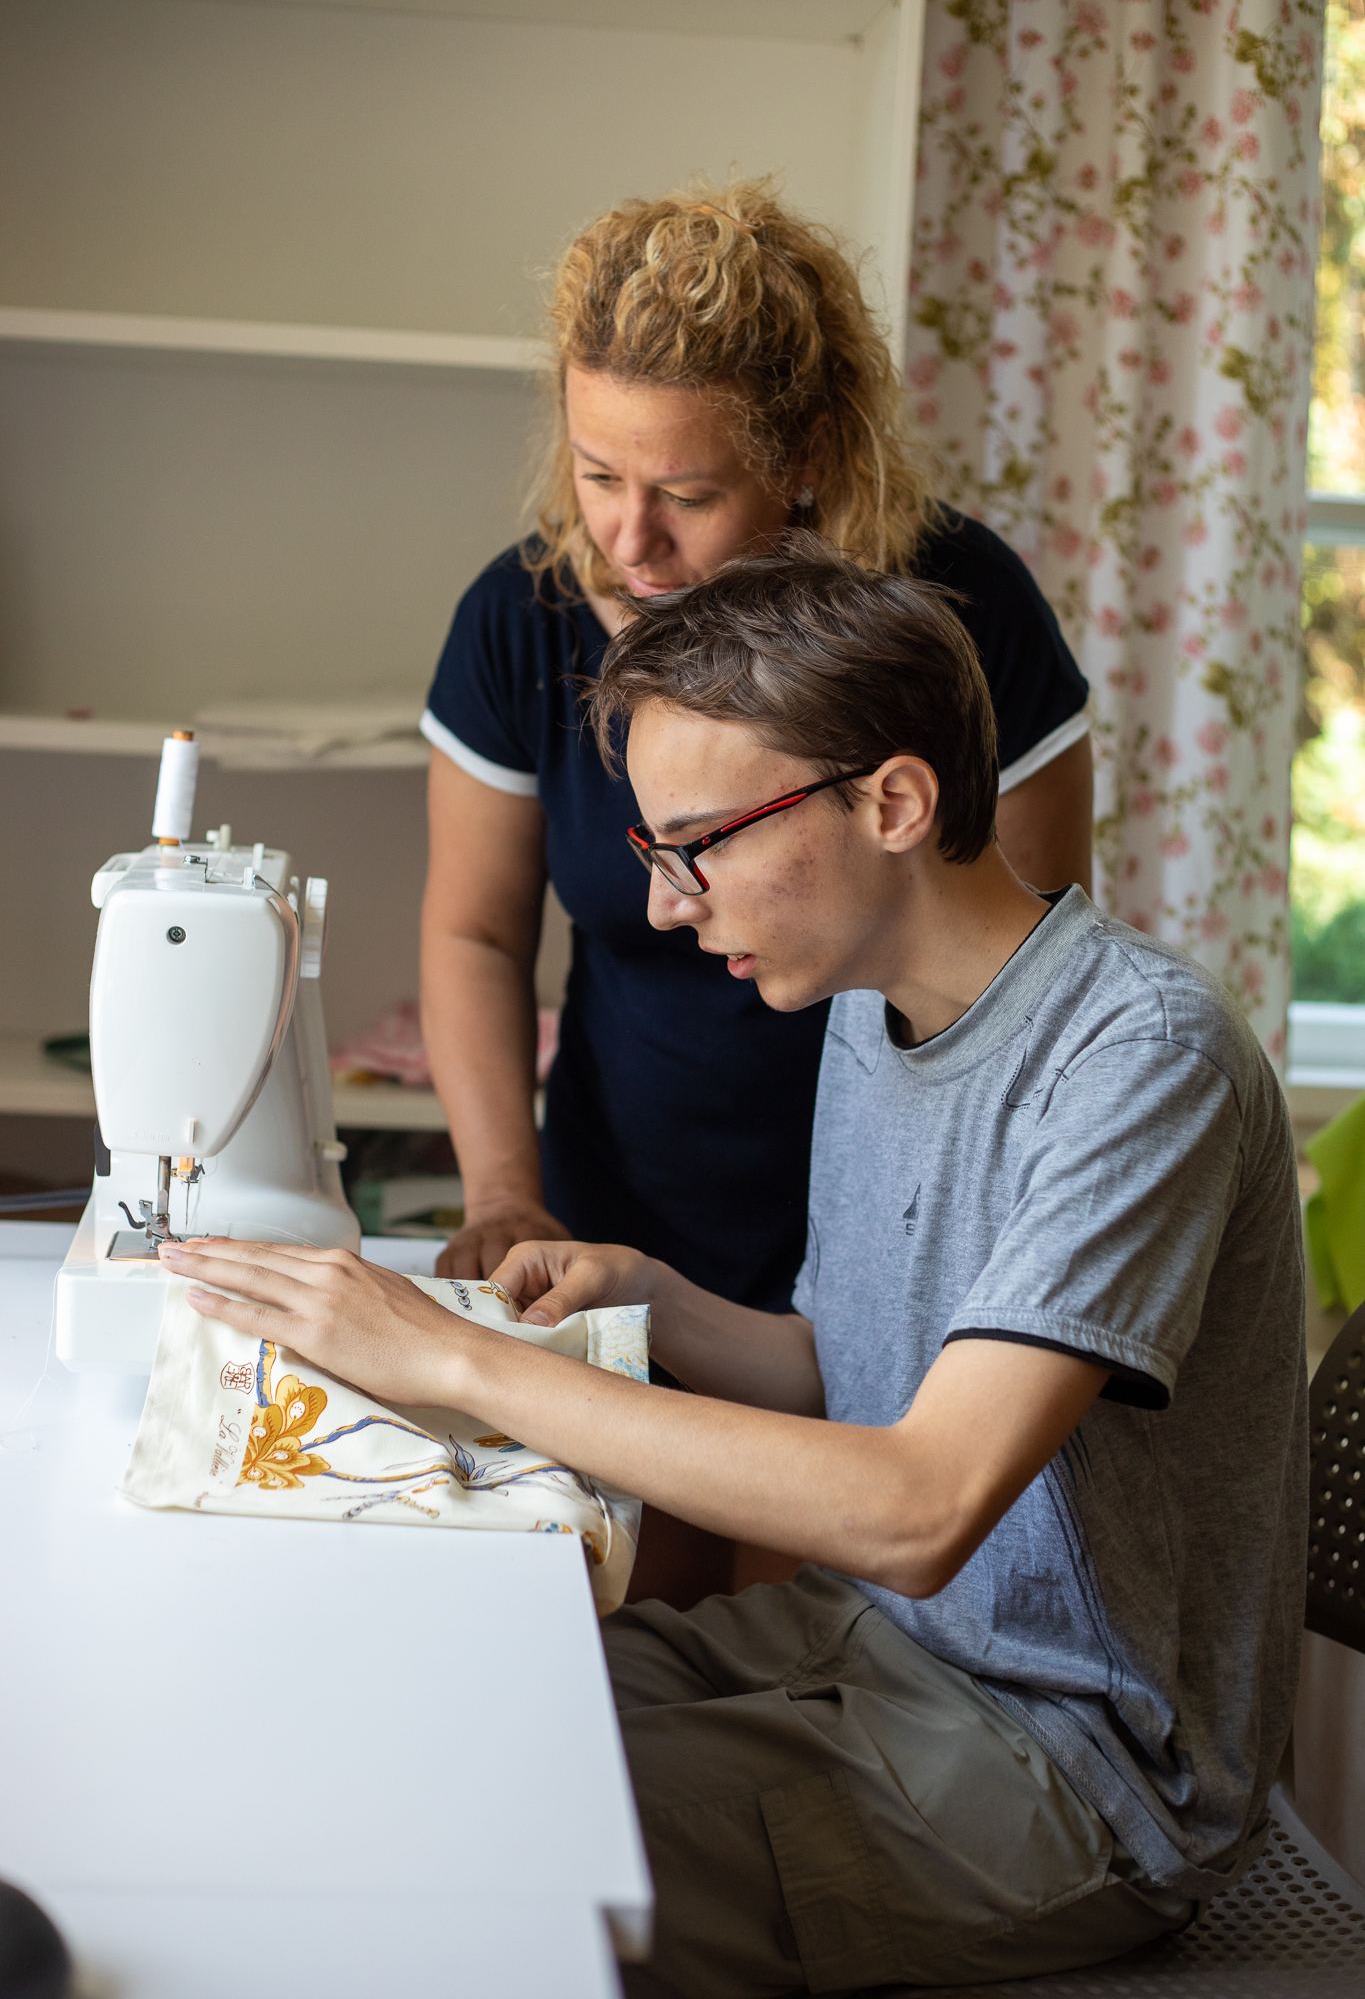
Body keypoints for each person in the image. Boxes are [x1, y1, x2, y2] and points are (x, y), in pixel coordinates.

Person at [166, 545, 1306, 1998]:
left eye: (699, 842)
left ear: (892, 803)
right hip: (870, 1645)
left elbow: (918, 1503)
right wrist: (654, 1294)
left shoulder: (1139, 1061)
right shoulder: (869, 1010)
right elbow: (853, 1372)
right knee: (389, 1714)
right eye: (654, 850)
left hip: (1079, 1770)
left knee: (440, 1846)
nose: (663, 904)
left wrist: (456, 1359)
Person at [420, 177, 1092, 1320]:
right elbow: (474, 931)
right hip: (617, 1221)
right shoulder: (518, 618)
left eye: (687, 493)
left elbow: (1025, 977)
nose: (630, 539)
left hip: (903, 1232)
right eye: (598, 475)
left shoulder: (964, 620)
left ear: (807, 455)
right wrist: (502, 1194)